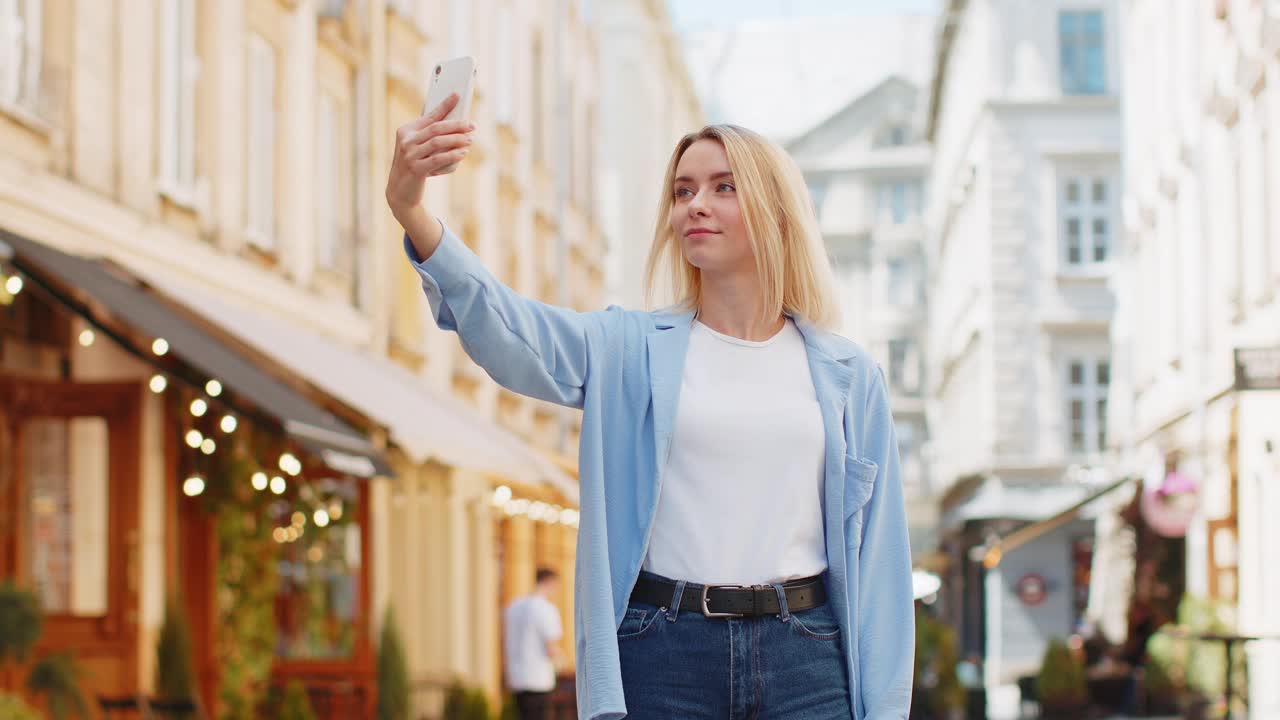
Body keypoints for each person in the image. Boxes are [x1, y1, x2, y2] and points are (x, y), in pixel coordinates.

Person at [386, 92, 914, 720]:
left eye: (723, 187)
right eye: (683, 190)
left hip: (805, 656)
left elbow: (882, 565)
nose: (696, 204)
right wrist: (412, 210)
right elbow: (510, 332)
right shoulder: (628, 349)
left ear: (777, 214)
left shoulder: (849, 376)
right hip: (664, 654)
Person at [503, 568, 565, 720]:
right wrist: (563, 662)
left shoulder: (513, 606)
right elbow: (551, 647)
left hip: (517, 676)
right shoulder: (546, 609)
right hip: (539, 678)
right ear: (550, 583)